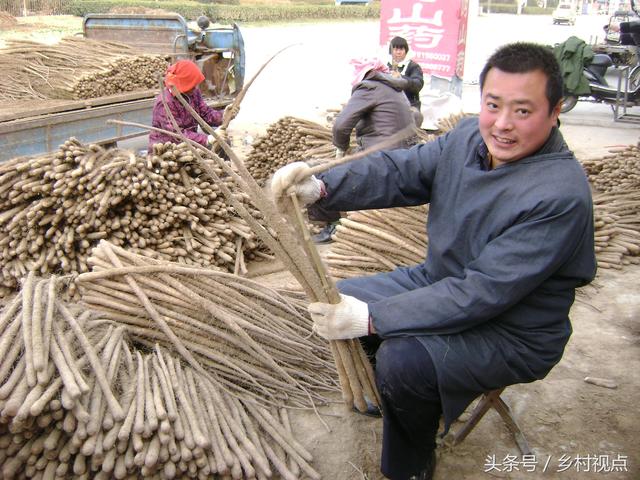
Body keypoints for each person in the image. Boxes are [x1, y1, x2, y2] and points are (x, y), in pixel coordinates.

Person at [270, 42, 597, 480]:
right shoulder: (466, 138)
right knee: (341, 297)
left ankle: (410, 465)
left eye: (523, 111)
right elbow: (403, 169)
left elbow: (482, 291)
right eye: (493, 105)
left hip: (514, 329)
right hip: (440, 282)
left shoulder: (559, 194)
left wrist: (373, 319)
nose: (502, 124)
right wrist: (323, 186)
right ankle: (407, 404)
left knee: (402, 359)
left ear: (555, 110)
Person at [311, 57, 416, 244]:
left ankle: (333, 224)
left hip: (381, 158)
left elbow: (341, 126)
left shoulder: (369, 87)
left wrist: (342, 148)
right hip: (405, 156)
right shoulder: (395, 88)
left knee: (320, 176)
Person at [148, 59, 236, 149]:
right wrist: (207, 139)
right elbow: (176, 135)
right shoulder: (165, 103)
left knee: (223, 142)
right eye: (192, 85)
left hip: (190, 142)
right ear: (183, 83)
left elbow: (205, 113)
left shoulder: (193, 93)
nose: (195, 87)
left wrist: (223, 115)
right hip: (169, 147)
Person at [387, 36, 424, 124]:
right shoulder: (385, 65)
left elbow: (418, 84)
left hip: (409, 104)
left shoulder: (413, 66)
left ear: (406, 51)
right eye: (396, 49)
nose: (398, 52)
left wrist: (401, 78)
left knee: (415, 116)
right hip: (388, 104)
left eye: (401, 49)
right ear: (391, 51)